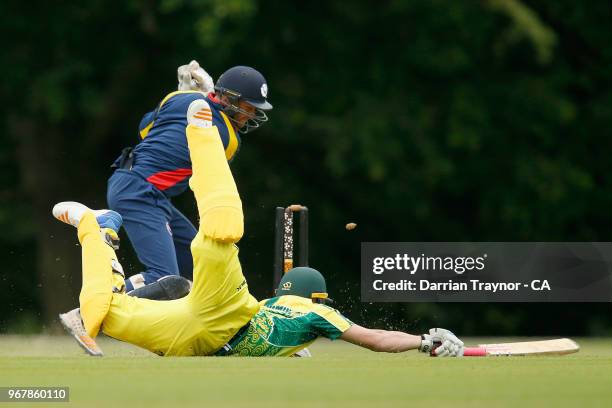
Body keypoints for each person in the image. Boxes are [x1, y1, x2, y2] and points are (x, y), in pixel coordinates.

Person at [54, 101, 464, 358]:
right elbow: (375, 339)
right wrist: (424, 340)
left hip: (188, 336)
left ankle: (97, 227)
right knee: (220, 234)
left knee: (104, 310)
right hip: (214, 319)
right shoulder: (315, 313)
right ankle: (201, 137)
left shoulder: (281, 316)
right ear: (315, 297)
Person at [108, 61, 272, 299]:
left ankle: (203, 334)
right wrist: (203, 98)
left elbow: (145, 130)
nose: (252, 115)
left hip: (135, 184)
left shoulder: (174, 98)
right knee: (165, 279)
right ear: (228, 100)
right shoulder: (228, 139)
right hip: (141, 193)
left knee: (203, 266)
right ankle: (92, 311)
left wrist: (190, 96)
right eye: (249, 107)